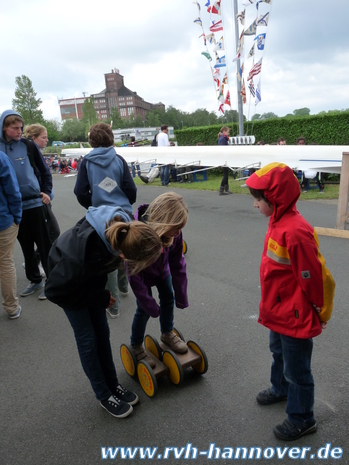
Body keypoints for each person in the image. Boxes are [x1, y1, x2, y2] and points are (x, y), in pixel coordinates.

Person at [45, 205, 162, 418]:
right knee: (88, 339)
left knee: (102, 332)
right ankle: (103, 394)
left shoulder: (127, 229)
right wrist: (97, 297)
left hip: (90, 278)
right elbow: (54, 291)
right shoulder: (78, 258)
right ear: (123, 255)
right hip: (66, 286)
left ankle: (113, 384)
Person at [245, 162, 335, 441]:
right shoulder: (278, 221)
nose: (255, 205)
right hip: (279, 311)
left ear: (276, 199)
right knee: (279, 353)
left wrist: (321, 310)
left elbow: (315, 278)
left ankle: (302, 418)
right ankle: (280, 388)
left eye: (259, 200)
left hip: (295, 315)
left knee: (298, 369)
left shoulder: (295, 231)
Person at [74, 122, 137, 318]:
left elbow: (80, 191)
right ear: (111, 138)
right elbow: (131, 189)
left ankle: (113, 304)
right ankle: (124, 285)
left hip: (100, 217)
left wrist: (92, 205)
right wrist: (125, 203)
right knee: (123, 249)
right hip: (122, 213)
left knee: (105, 258)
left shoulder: (86, 162)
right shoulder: (119, 160)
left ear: (91, 139)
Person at [128, 192, 189, 367]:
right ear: (163, 222)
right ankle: (136, 345)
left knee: (168, 297)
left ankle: (167, 332)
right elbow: (133, 274)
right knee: (143, 310)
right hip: (141, 275)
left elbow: (178, 263)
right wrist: (151, 306)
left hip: (162, 271)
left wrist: (181, 295)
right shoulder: (138, 236)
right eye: (176, 227)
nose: (178, 232)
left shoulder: (174, 234)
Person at [0, 111, 53, 301]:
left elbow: (45, 172)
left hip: (36, 203)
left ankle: (51, 283)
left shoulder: (28, 145)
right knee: (26, 247)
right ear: (4, 127)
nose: (19, 131)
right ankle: (35, 279)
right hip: (15, 207)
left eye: (21, 127)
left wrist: (47, 192)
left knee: (45, 244)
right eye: (15, 128)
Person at [23, 123, 60, 263]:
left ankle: (36, 262)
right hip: (36, 201)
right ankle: (36, 262)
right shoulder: (29, 153)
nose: (47, 140)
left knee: (51, 232)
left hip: (43, 199)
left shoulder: (35, 153)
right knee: (51, 232)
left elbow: (45, 174)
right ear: (33, 138)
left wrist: (47, 192)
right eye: (44, 137)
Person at [0, 151, 22, 319]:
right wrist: (17, 216)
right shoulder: (1, 157)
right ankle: (11, 307)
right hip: (3, 219)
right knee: (5, 263)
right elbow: (12, 190)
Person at [217, 126, 232, 195]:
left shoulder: (222, 139)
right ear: (224, 132)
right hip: (224, 159)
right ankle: (221, 190)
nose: (228, 133)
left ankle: (226, 189)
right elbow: (222, 150)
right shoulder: (223, 139)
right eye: (227, 132)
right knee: (225, 175)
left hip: (224, 158)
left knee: (226, 174)